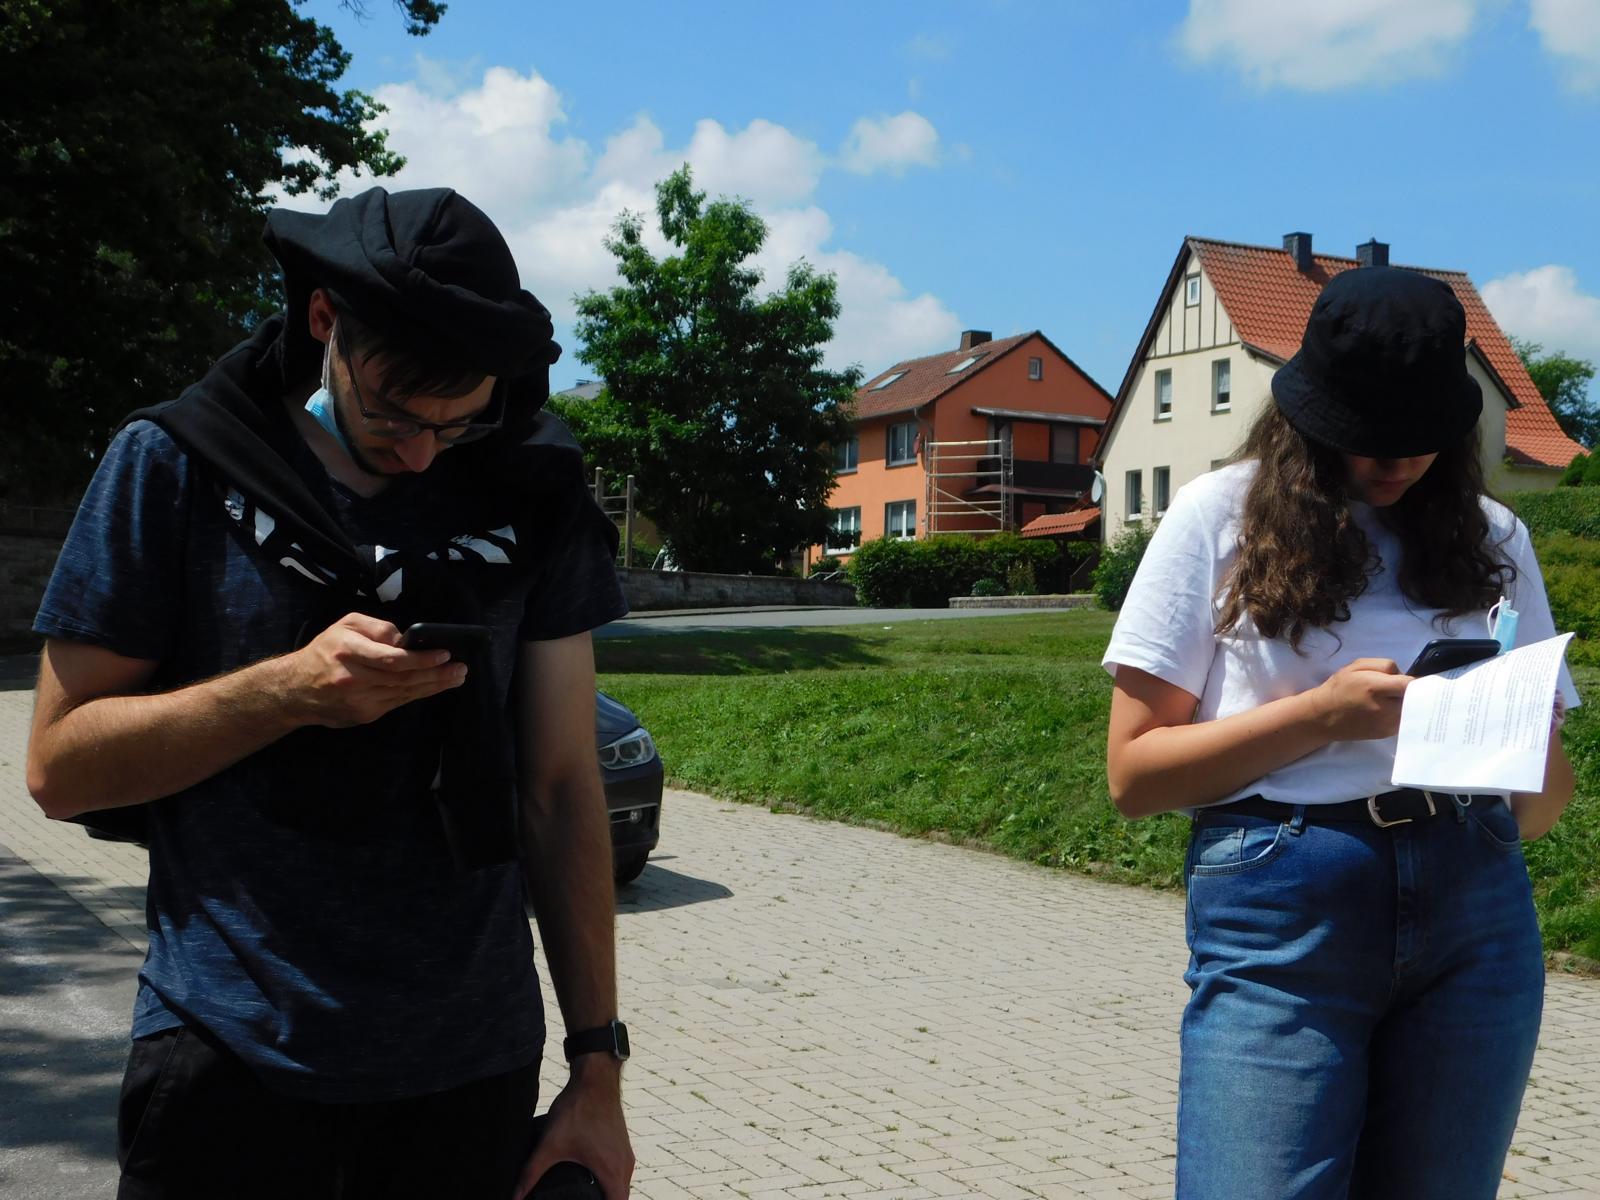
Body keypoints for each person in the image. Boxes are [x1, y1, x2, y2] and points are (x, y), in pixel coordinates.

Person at [25, 187, 635, 1200]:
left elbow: (563, 787)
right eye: (393, 412)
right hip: (230, 1058)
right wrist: (285, 693)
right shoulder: (176, 462)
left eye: (460, 420)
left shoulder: (534, 489)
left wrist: (597, 1068)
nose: (422, 452)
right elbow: (59, 768)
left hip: (470, 1073)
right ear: (324, 322)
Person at [1102, 266, 1579, 1200]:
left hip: (1476, 898)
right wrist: (1319, 717)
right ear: (1308, 417)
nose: (1393, 464)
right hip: (1285, 903)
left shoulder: (1494, 538)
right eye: (1367, 439)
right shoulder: (1216, 518)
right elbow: (1134, 776)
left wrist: (1516, 726)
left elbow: (1540, 809)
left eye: (1418, 440)